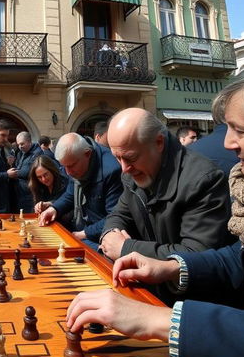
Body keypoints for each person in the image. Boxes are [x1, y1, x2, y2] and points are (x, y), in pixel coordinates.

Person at [67, 58, 244, 357]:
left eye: (240, 130)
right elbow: (242, 257)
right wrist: (170, 266)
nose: (227, 144)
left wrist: (165, 322)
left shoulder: (208, 178)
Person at [99, 108, 232, 262]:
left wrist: (125, 248)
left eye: (131, 157)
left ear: (159, 142)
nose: (124, 168)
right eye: (117, 158)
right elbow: (119, 214)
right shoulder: (132, 174)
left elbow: (195, 255)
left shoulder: (203, 180)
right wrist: (110, 234)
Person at [37, 133, 122, 248]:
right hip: (84, 231)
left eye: (71, 166)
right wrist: (54, 208)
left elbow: (116, 216)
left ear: (87, 154)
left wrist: (84, 234)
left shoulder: (112, 170)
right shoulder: (75, 161)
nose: (68, 172)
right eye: (64, 166)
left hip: (105, 239)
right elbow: (70, 194)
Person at [14, 132, 44, 213]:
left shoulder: (37, 153)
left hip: (30, 195)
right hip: (21, 194)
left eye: (22, 144)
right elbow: (18, 166)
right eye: (18, 144)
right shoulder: (21, 153)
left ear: (29, 141)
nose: (20, 146)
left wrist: (15, 173)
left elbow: (29, 171)